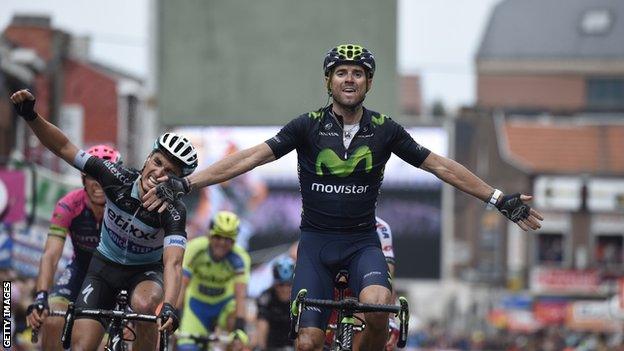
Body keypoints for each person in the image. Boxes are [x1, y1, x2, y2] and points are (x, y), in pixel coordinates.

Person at [142, 43, 544, 351]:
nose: (349, 79)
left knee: (376, 305)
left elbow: (440, 165)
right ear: (328, 81)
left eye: (357, 73)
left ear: (368, 83)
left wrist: (497, 198)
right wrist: (188, 183)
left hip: (361, 243)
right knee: (308, 342)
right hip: (315, 245)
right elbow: (249, 158)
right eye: (341, 73)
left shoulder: (386, 130)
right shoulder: (307, 127)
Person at [10, 89, 197, 351]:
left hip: (144, 272)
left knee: (145, 306)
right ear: (147, 158)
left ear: (176, 180)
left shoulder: (173, 210)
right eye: (157, 162)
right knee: (81, 346)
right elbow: (64, 147)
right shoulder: (115, 177)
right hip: (103, 268)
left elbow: (174, 263)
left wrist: (168, 306)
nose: (158, 172)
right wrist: (31, 116)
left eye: (169, 172)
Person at [25, 145, 121, 351]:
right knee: (51, 318)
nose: (97, 184)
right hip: (81, 269)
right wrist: (41, 295)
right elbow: (51, 254)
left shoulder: (124, 207)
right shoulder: (69, 204)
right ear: (83, 179)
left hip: (116, 275)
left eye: (103, 176)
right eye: (90, 176)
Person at [176, 210, 251, 351]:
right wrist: (175, 314)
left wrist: (240, 328)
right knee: (186, 348)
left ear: (234, 241)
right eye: (218, 236)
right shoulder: (195, 248)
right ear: (209, 235)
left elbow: (241, 295)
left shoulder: (240, 258)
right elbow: (182, 285)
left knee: (238, 340)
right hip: (197, 306)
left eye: (228, 239)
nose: (222, 243)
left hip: (224, 306)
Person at [254, 256, 295, 351]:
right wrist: (261, 347)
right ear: (274, 283)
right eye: (280, 285)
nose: (285, 289)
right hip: (271, 346)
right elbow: (261, 325)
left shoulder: (300, 297)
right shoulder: (266, 297)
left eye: (289, 285)